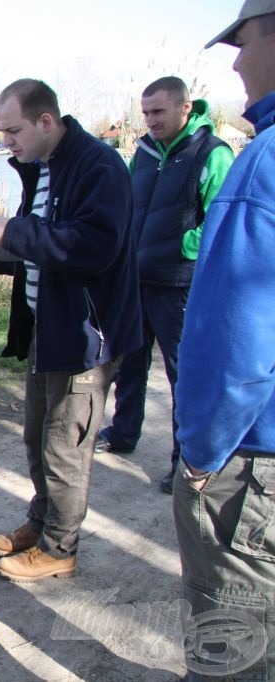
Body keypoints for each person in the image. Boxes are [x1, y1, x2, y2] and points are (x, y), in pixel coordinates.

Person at [0, 79, 141, 582]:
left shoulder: (99, 167)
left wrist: (12, 232)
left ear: (45, 121)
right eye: (2, 132)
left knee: (65, 446)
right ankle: (41, 523)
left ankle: (60, 549)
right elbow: (42, 252)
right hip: (47, 330)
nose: (6, 142)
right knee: (37, 437)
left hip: (84, 338)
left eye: (13, 130)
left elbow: (93, 247)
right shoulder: (43, 170)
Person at [173, 3, 275, 678]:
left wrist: (202, 456)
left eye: (245, 40)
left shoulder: (260, 165)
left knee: (233, 645)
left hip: (256, 459)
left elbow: (238, 341)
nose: (235, 61)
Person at [95, 76, 233, 496]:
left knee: (182, 375)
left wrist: (179, 247)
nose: (150, 120)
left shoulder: (213, 153)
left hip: (179, 284)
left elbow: (221, 224)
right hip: (136, 278)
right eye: (145, 113)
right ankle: (123, 432)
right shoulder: (144, 151)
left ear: (185, 108)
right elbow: (126, 205)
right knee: (130, 362)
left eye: (158, 112)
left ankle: (185, 460)